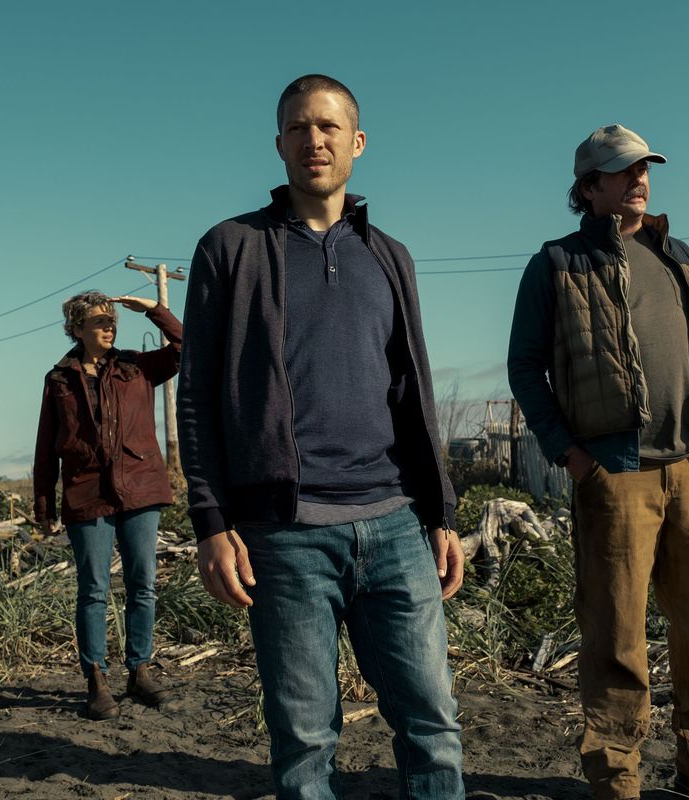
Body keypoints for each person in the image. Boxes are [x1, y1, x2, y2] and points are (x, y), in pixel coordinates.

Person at [178, 74, 465, 799]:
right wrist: (211, 522)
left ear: (357, 142)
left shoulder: (389, 255)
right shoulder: (232, 247)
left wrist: (439, 512)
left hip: (395, 527)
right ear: (278, 143)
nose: (315, 140)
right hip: (285, 534)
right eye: (299, 127)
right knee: (304, 742)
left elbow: (413, 392)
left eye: (330, 127)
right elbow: (198, 394)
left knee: (433, 727)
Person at [507, 125, 689, 800]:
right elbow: (524, 367)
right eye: (623, 170)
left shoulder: (676, 252)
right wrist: (571, 454)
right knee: (615, 633)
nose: (639, 179)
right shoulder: (558, 263)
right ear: (588, 187)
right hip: (615, 469)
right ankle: (616, 778)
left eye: (644, 168)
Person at [33, 291, 182, 720]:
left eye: (111, 320)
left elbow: (186, 347)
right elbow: (46, 445)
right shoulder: (58, 379)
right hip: (86, 491)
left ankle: (140, 671)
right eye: (99, 321)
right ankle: (96, 679)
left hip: (140, 487)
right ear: (77, 328)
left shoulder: (137, 366)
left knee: (143, 583)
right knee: (94, 589)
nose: (109, 326)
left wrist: (154, 311)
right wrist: (44, 504)